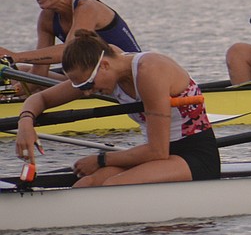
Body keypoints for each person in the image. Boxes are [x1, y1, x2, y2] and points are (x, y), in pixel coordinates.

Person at [15, 30, 220, 186]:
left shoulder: (150, 71)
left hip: (195, 157)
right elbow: (41, 98)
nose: (86, 93)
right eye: (80, 87)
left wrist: (101, 159)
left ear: (103, 65)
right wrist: (25, 122)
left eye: (87, 85)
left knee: (112, 187)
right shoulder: (108, 71)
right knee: (86, 185)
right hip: (157, 155)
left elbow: (158, 151)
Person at [0, 0, 142, 78]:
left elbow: (71, 50)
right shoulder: (47, 17)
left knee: (22, 69)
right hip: (92, 75)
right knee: (21, 72)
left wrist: (15, 56)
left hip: (132, 77)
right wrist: (14, 91)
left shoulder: (88, 7)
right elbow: (39, 72)